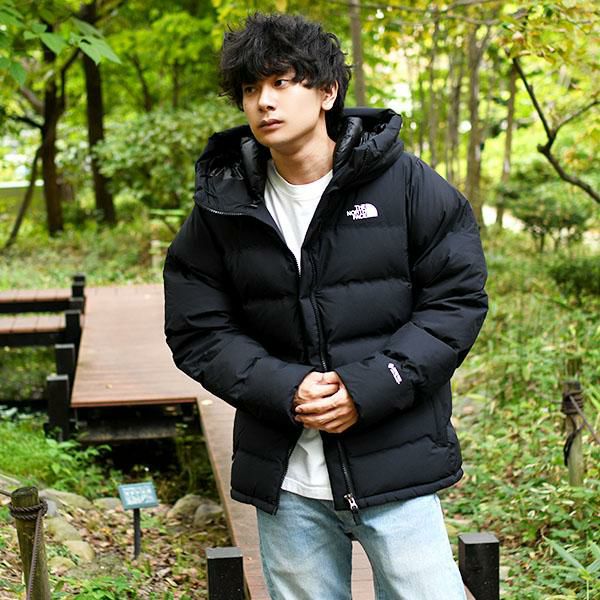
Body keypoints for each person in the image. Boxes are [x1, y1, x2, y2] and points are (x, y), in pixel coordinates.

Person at [164, 12, 487, 600]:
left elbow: (456, 300)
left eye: (281, 82)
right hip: (284, 477)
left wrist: (371, 385)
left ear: (327, 91)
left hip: (396, 463)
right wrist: (283, 386)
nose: (264, 102)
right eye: (250, 89)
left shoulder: (407, 185)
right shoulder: (222, 206)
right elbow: (197, 328)